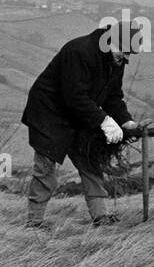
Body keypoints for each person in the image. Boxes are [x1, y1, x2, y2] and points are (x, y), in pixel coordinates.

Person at [21, 24, 142, 228]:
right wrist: (103, 120)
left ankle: (100, 216)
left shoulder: (115, 59)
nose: (125, 58)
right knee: (46, 168)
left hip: (80, 114)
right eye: (123, 52)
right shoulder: (79, 51)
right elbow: (74, 96)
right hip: (49, 113)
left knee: (90, 162)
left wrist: (126, 121)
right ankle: (34, 223)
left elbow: (113, 97)